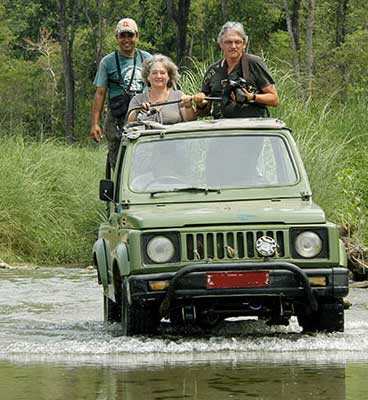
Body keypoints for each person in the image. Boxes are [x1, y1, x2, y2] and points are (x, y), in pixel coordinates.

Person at [90, 18, 151, 169]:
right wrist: (95, 124)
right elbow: (100, 93)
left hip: (144, 115)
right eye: (122, 36)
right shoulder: (107, 62)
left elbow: (159, 86)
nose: (126, 40)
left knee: (146, 161)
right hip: (117, 119)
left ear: (137, 37)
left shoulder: (148, 59)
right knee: (118, 164)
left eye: (130, 35)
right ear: (117, 38)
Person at [193, 21, 279, 119]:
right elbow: (204, 111)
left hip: (253, 128)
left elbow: (274, 99)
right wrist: (200, 103)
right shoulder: (213, 70)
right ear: (221, 44)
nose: (233, 46)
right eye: (228, 42)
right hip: (222, 129)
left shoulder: (254, 63)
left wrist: (251, 97)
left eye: (237, 42)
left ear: (244, 44)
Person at [127, 54, 197, 124]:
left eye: (162, 73)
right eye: (154, 73)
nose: (158, 76)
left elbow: (191, 122)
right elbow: (129, 124)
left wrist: (188, 106)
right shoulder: (137, 99)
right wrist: (136, 111)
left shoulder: (178, 96)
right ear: (147, 76)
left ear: (169, 76)